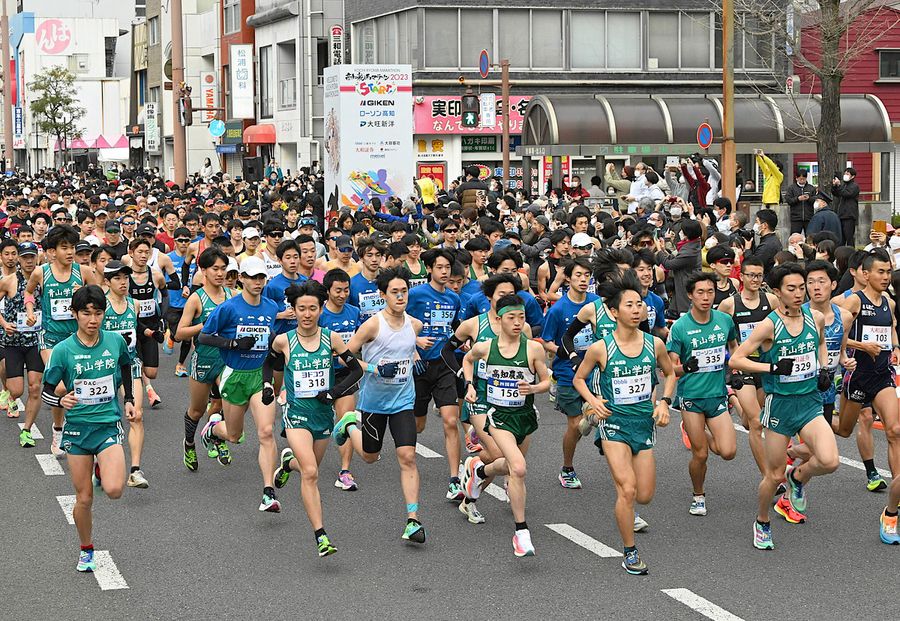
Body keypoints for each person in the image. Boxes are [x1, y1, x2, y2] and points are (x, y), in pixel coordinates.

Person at [729, 262, 839, 550]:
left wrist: (825, 367)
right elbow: (737, 359)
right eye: (791, 289)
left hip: (809, 402)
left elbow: (822, 344)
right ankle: (762, 520)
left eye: (802, 287)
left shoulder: (815, 317)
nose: (799, 293)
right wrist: (773, 366)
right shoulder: (769, 325)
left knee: (830, 461)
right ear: (776, 291)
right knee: (773, 475)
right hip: (780, 407)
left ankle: (798, 476)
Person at [573, 271, 675, 575]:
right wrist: (593, 401)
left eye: (639, 304)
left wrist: (664, 402)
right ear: (614, 312)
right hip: (614, 423)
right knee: (627, 490)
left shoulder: (653, 344)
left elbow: (669, 374)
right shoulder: (601, 348)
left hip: (643, 423)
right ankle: (630, 551)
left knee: (644, 495)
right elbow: (579, 379)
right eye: (629, 305)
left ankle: (625, 510)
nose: (636, 310)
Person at [42, 285, 135, 572]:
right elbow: (46, 391)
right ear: (75, 314)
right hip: (78, 430)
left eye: (98, 313)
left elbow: (126, 368)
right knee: (84, 498)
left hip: (107, 425)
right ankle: (86, 548)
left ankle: (101, 468)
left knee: (116, 489)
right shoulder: (63, 350)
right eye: (86, 314)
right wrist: (61, 399)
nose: (93, 320)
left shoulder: (115, 341)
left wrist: (129, 399)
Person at [269, 281, 364, 557]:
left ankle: (289, 463)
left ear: (321, 309)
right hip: (296, 414)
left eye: (312, 308)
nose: (307, 314)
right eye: (301, 309)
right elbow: (269, 362)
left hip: (322, 415)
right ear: (294, 310)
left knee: (307, 467)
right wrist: (268, 387)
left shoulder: (331, 338)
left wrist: (333, 393)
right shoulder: (284, 340)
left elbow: (356, 370)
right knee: (311, 473)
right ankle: (321, 535)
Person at [332, 268, 427, 544]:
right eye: (394, 292)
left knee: (408, 456)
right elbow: (343, 358)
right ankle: (350, 424)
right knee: (370, 457)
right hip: (374, 402)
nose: (400, 297)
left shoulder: (414, 325)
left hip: (403, 401)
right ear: (383, 295)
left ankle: (413, 519)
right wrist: (374, 367)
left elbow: (408, 349)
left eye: (404, 291)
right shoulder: (373, 325)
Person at [459, 294, 551, 557]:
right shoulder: (486, 348)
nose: (517, 323)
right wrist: (469, 385)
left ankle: (479, 471)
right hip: (497, 417)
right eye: (511, 318)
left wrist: (534, 387)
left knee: (509, 465)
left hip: (524, 416)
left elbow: (546, 381)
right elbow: (467, 360)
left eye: (521, 318)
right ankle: (521, 532)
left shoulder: (533, 349)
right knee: (518, 468)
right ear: (499, 320)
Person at [441, 273, 531, 524]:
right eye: (501, 294)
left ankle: (472, 488)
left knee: (502, 459)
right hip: (481, 396)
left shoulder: (521, 327)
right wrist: (463, 377)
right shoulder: (473, 325)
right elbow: (448, 349)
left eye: (512, 294)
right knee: (501, 454)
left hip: (513, 401)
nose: (507, 299)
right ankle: (519, 525)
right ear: (490, 297)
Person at [198, 256, 281, 512]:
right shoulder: (229, 308)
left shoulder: (270, 307)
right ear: (241, 278)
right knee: (234, 436)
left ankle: (268, 492)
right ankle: (213, 431)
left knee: (266, 432)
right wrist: (232, 344)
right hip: (234, 375)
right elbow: (204, 337)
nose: (258, 282)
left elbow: (271, 340)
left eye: (261, 278)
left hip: (259, 375)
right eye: (252, 277)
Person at [830, 249, 900, 542]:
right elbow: (839, 335)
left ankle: (895, 494)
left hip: (882, 376)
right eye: (880, 272)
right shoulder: (854, 301)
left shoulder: (890, 303)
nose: (885, 277)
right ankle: (818, 422)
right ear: (866, 274)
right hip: (857, 376)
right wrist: (861, 347)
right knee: (844, 430)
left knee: (895, 430)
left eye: (888, 272)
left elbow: (891, 330)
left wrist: (894, 348)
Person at [666, 272, 738, 516]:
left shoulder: (724, 321)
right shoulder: (680, 327)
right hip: (691, 398)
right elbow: (670, 369)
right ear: (690, 295)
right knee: (701, 454)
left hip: (717, 395)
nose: (706, 297)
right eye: (700, 292)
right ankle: (698, 495)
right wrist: (685, 367)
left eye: (710, 292)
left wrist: (736, 368)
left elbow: (734, 347)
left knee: (727, 452)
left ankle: (698, 431)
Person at [25, 225, 98, 457]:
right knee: (59, 385)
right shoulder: (41, 272)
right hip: (51, 339)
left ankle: (78, 428)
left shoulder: (83, 271)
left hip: (77, 338)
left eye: (72, 248)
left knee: (80, 385)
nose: (69, 252)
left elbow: (99, 297)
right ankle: (58, 430)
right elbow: (28, 293)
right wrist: (30, 310)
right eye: (64, 247)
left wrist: (83, 293)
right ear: (52, 251)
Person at [407, 248, 463, 500]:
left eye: (447, 268)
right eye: (439, 267)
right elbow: (399, 320)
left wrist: (462, 342)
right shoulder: (416, 294)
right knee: (418, 425)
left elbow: (455, 329)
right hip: (418, 366)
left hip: (444, 366)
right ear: (429, 269)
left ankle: (454, 479)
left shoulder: (454, 299)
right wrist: (415, 342)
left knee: (451, 421)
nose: (444, 272)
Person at [540, 257, 599, 489]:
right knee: (576, 426)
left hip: (595, 372)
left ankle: (599, 430)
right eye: (578, 275)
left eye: (587, 276)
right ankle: (567, 468)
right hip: (567, 372)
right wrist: (565, 352)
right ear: (567, 278)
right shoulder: (559, 309)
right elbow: (546, 341)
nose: (583, 280)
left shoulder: (596, 304)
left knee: (598, 417)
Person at [717, 257, 779, 474]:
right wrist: (727, 361)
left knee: (748, 420)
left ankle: (731, 397)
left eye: (759, 275)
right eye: (751, 275)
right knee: (756, 422)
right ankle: (768, 476)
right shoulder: (729, 304)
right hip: (742, 367)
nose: (755, 279)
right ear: (741, 277)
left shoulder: (771, 301)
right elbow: (720, 334)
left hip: (765, 367)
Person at [175, 247, 234, 470]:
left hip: (227, 359)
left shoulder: (232, 295)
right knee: (197, 410)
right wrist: (203, 327)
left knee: (227, 401)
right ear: (203, 271)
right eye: (215, 269)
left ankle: (217, 435)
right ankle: (189, 443)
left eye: (223, 269)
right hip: (204, 359)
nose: (220, 273)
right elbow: (180, 333)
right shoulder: (196, 299)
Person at [101, 260, 149, 489]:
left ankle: (135, 470)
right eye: (118, 278)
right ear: (107, 281)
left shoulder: (134, 305)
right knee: (105, 418)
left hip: (130, 365)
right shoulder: (102, 306)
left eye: (126, 278)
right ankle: (100, 461)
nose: (123, 282)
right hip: (104, 368)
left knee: (136, 415)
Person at [318, 268, 361, 491]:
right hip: (319, 376)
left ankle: (345, 471)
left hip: (345, 376)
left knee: (347, 420)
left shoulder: (354, 312)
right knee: (319, 428)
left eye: (346, 290)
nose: (343, 294)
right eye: (338, 290)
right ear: (328, 291)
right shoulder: (319, 315)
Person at [0, 242, 44, 445]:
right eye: (24, 257)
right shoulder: (9, 281)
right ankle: (9, 396)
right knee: (16, 390)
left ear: (37, 258)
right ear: (19, 260)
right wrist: (4, 323)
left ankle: (26, 431)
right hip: (13, 341)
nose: (28, 261)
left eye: (31, 257)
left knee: (35, 388)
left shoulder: (44, 279)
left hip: (36, 341)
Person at [656, 218, 702, 316]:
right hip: (680, 288)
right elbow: (675, 259)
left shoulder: (690, 251)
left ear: (686, 234)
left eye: (682, 231)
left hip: (686, 288)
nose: (679, 233)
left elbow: (669, 265)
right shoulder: (690, 245)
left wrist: (659, 250)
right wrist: (664, 250)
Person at [745, 209, 782, 274]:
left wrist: (747, 250)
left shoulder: (767, 245)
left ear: (764, 225)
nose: (755, 225)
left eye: (756, 222)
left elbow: (754, 265)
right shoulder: (771, 239)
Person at [833, 167, 860, 247]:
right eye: (845, 173)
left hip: (849, 215)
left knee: (849, 237)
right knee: (841, 238)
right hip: (841, 214)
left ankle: (851, 254)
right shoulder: (844, 185)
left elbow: (847, 194)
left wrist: (839, 185)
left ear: (853, 176)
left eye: (847, 174)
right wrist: (835, 186)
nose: (845, 175)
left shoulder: (854, 186)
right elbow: (837, 193)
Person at [784, 170, 815, 234]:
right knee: (795, 236)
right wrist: (797, 199)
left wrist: (809, 198)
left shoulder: (811, 188)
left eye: (804, 179)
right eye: (800, 179)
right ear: (796, 178)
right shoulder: (791, 188)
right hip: (796, 218)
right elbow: (788, 200)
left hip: (809, 217)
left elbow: (816, 200)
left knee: (810, 236)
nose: (802, 180)